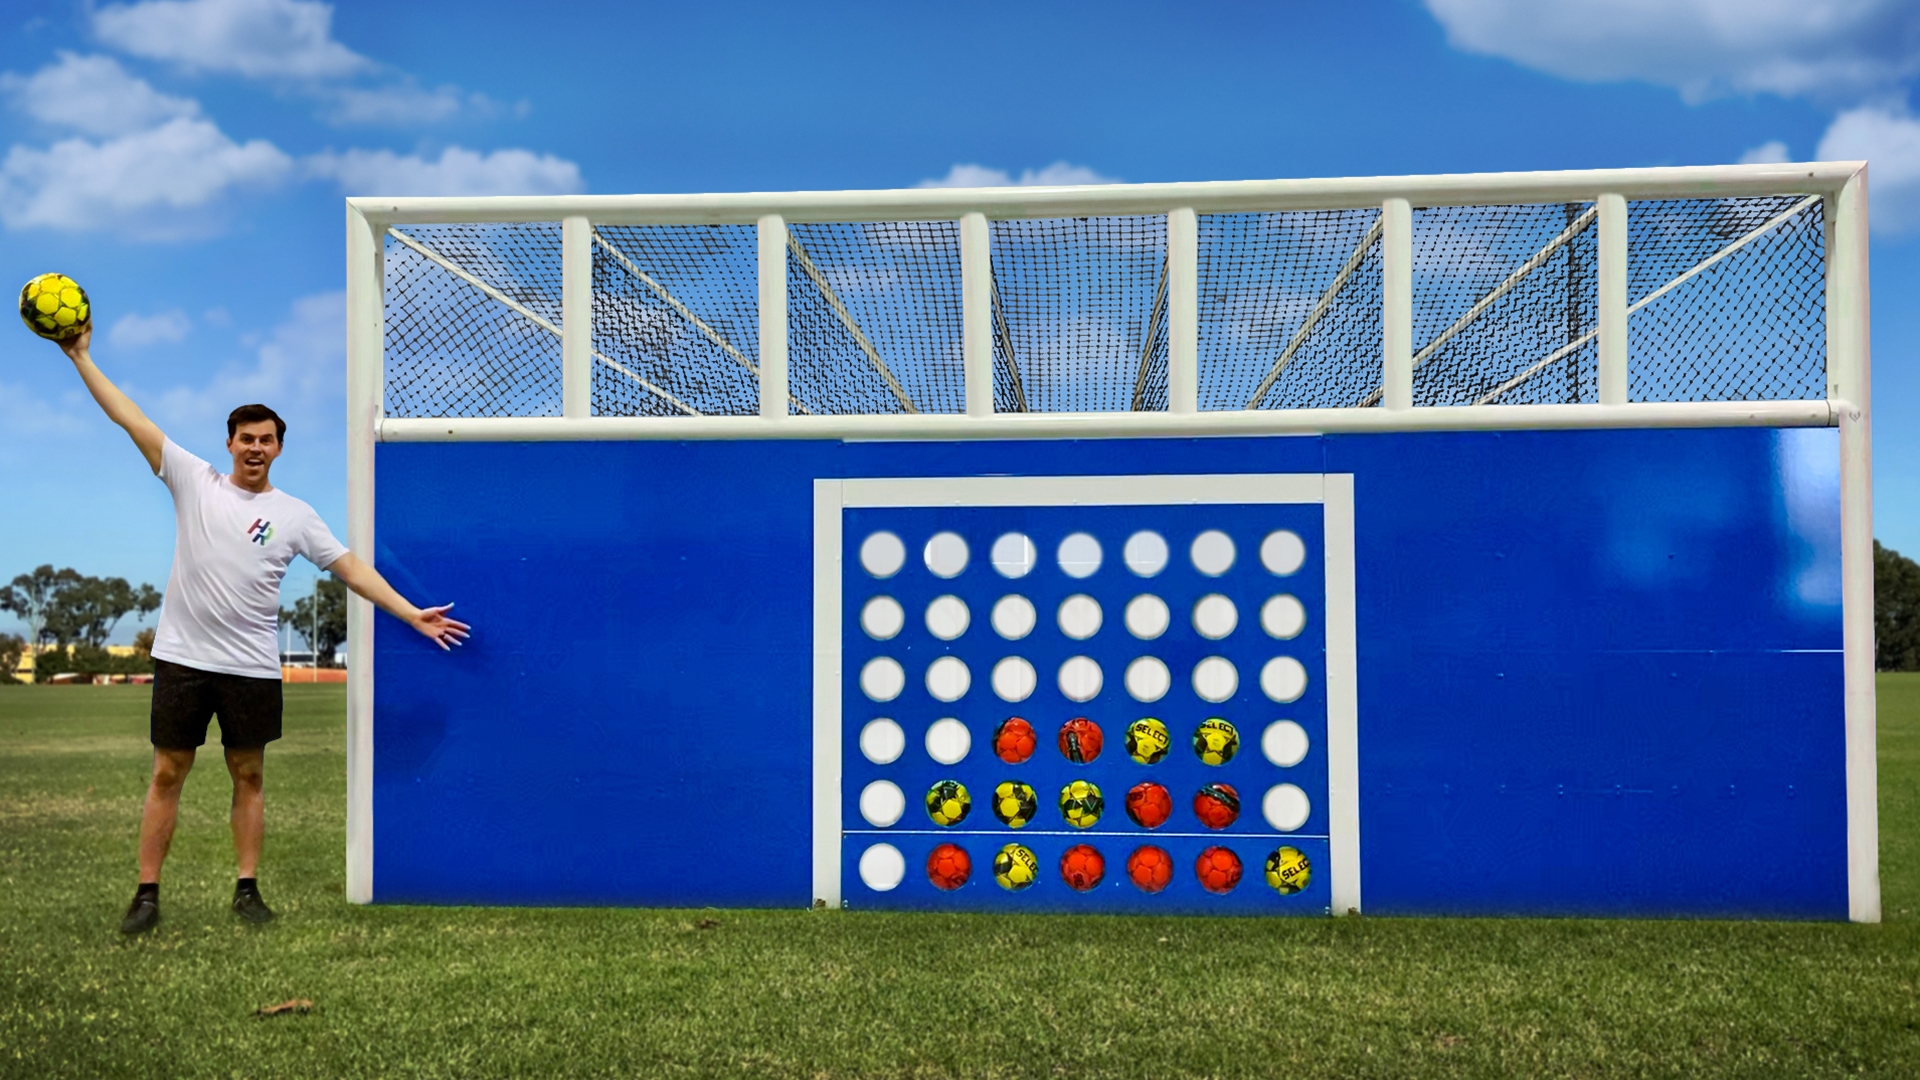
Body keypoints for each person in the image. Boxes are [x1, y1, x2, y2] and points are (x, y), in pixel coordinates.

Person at [54, 325, 470, 935]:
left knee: (248, 774)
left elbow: (349, 566)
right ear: (229, 444)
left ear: (278, 449)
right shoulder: (193, 481)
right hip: (183, 659)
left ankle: (247, 890)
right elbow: (130, 419)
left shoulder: (294, 515)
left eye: (266, 440)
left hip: (250, 666)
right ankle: (146, 894)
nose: (255, 447)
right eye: (246, 438)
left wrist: (409, 612)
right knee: (168, 771)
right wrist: (81, 356)